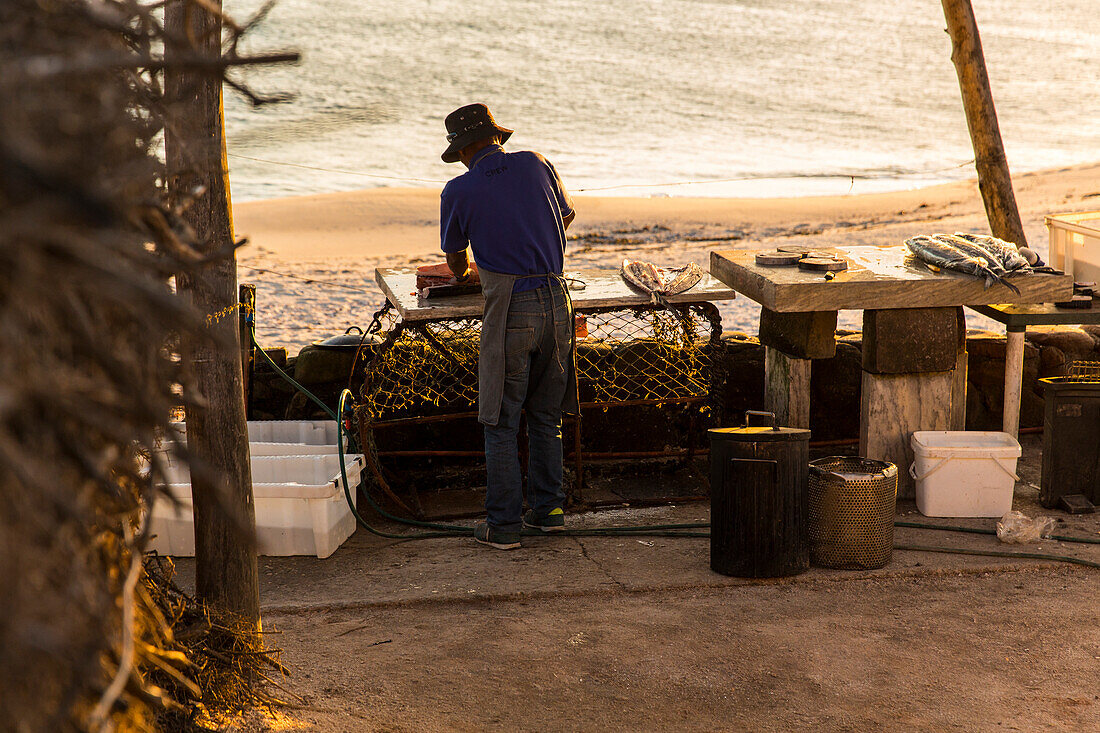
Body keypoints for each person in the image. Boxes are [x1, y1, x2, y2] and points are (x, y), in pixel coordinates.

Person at [439, 103, 577, 550]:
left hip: (511, 310)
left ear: (462, 150)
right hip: (558, 302)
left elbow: (456, 260)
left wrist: (471, 273)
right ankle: (549, 512)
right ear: (497, 137)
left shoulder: (458, 190)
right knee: (545, 415)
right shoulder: (537, 163)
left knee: (499, 419)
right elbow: (567, 215)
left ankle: (502, 527)